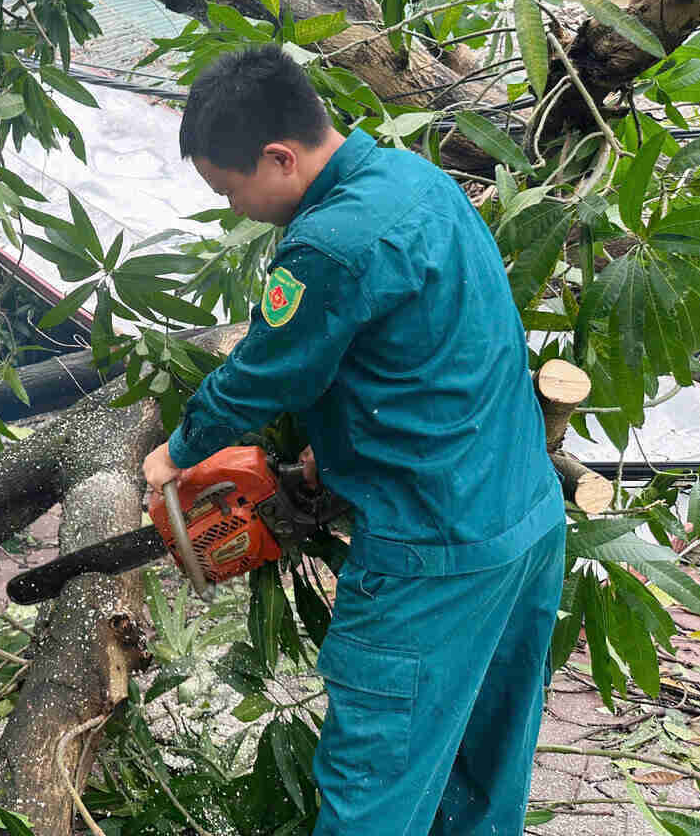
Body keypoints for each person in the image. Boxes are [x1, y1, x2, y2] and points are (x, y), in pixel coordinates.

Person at [141, 45, 565, 835]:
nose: (234, 209)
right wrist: (331, 454)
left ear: (278, 156)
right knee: (478, 771)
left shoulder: (328, 245)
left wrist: (178, 449)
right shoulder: (417, 180)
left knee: (374, 785)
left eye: (231, 190)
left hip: (430, 547)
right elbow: (427, 351)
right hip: (523, 520)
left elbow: (265, 372)